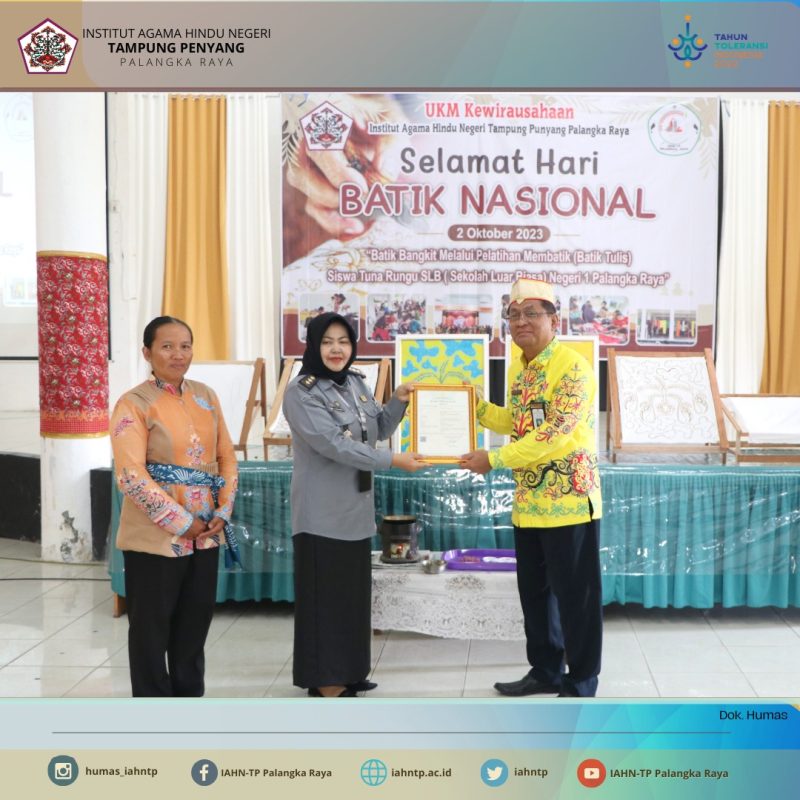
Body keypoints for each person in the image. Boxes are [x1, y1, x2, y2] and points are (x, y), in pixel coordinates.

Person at [460, 278, 603, 698]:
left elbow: (555, 434)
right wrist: (475, 407)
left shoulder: (573, 368)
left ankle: (581, 679)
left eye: (532, 314)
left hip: (568, 501)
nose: (521, 322)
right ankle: (545, 670)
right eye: (514, 315)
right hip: (528, 503)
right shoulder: (520, 367)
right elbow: (520, 422)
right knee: (535, 596)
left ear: (555, 321)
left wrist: (494, 459)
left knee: (575, 597)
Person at [283, 312, 425, 698]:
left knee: (351, 597)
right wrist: (394, 460)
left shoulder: (355, 383)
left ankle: (351, 670)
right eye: (327, 342)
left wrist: (398, 400)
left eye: (343, 342)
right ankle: (326, 679)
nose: (336, 349)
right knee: (325, 597)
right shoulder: (302, 393)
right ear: (313, 346)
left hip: (356, 509)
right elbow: (334, 445)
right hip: (321, 513)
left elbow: (378, 429)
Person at [110, 316, 238, 697]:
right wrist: (182, 522)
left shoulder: (206, 396)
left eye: (185, 346)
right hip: (155, 539)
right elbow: (131, 476)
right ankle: (154, 716)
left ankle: (188, 705)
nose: (178, 354)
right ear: (147, 352)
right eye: (167, 346)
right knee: (150, 633)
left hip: (207, 534)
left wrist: (223, 511)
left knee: (193, 630)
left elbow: (227, 457)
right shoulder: (133, 404)